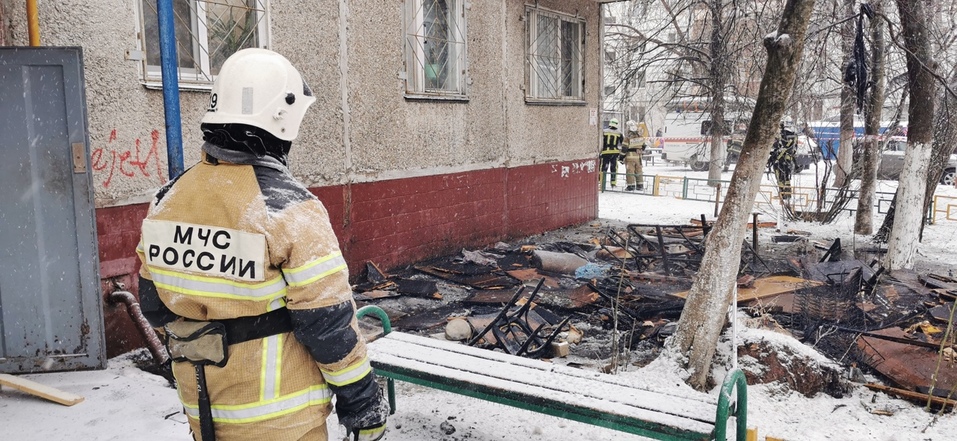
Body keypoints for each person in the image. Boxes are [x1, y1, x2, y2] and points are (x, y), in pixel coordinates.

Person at [136, 48, 388, 441]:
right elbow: (328, 324)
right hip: (282, 420)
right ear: (281, 117)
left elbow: (154, 306)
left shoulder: (167, 200)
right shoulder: (289, 207)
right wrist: (363, 404)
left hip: (204, 412)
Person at [622, 121, 647, 191]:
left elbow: (624, 148)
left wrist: (621, 157)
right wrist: (639, 149)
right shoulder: (640, 137)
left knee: (630, 171)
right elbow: (644, 146)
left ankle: (631, 186)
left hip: (630, 157)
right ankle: (640, 185)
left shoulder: (628, 138)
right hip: (639, 158)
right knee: (639, 171)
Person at [600, 118, 623, 187]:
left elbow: (600, 142)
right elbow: (622, 144)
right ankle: (613, 183)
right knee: (614, 168)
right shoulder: (619, 133)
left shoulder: (604, 132)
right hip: (614, 153)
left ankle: (602, 182)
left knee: (603, 168)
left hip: (605, 153)